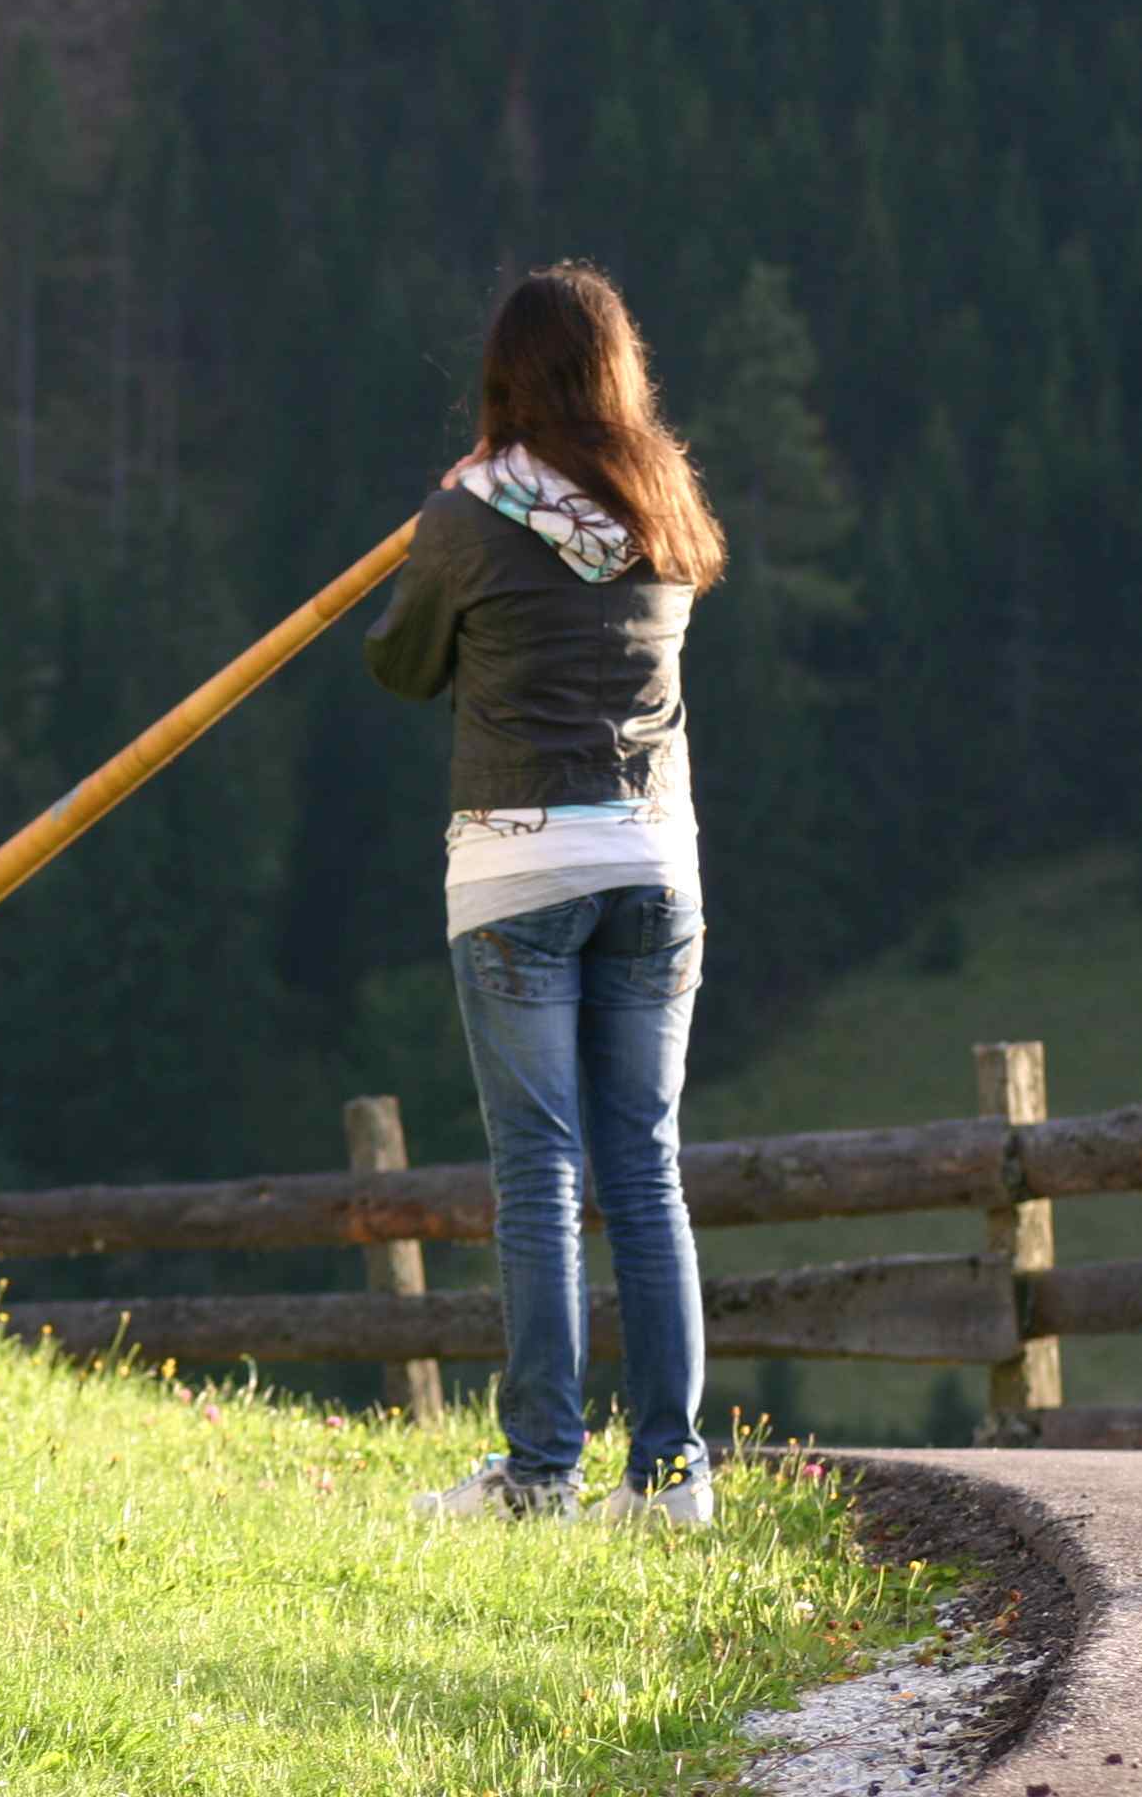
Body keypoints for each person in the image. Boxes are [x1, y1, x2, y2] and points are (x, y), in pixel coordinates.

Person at [363, 261, 730, 1524]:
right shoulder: (665, 500)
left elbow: (404, 667)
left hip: (518, 866)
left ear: (504, 377)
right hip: (655, 862)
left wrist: (421, 568)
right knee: (646, 1167)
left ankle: (539, 1471)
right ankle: (672, 1476)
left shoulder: (467, 509)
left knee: (540, 1172)